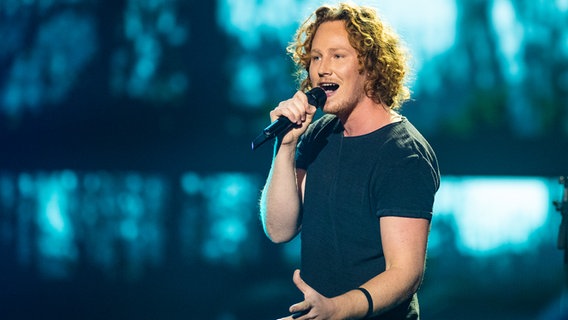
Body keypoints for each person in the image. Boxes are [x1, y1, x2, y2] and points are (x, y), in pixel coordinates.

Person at [259, 3, 440, 319]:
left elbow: (405, 274)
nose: (321, 69)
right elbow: (279, 230)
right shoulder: (319, 134)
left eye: (337, 56)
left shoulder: (402, 155)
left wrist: (336, 309)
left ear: (371, 66)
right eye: (316, 57)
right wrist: (286, 147)